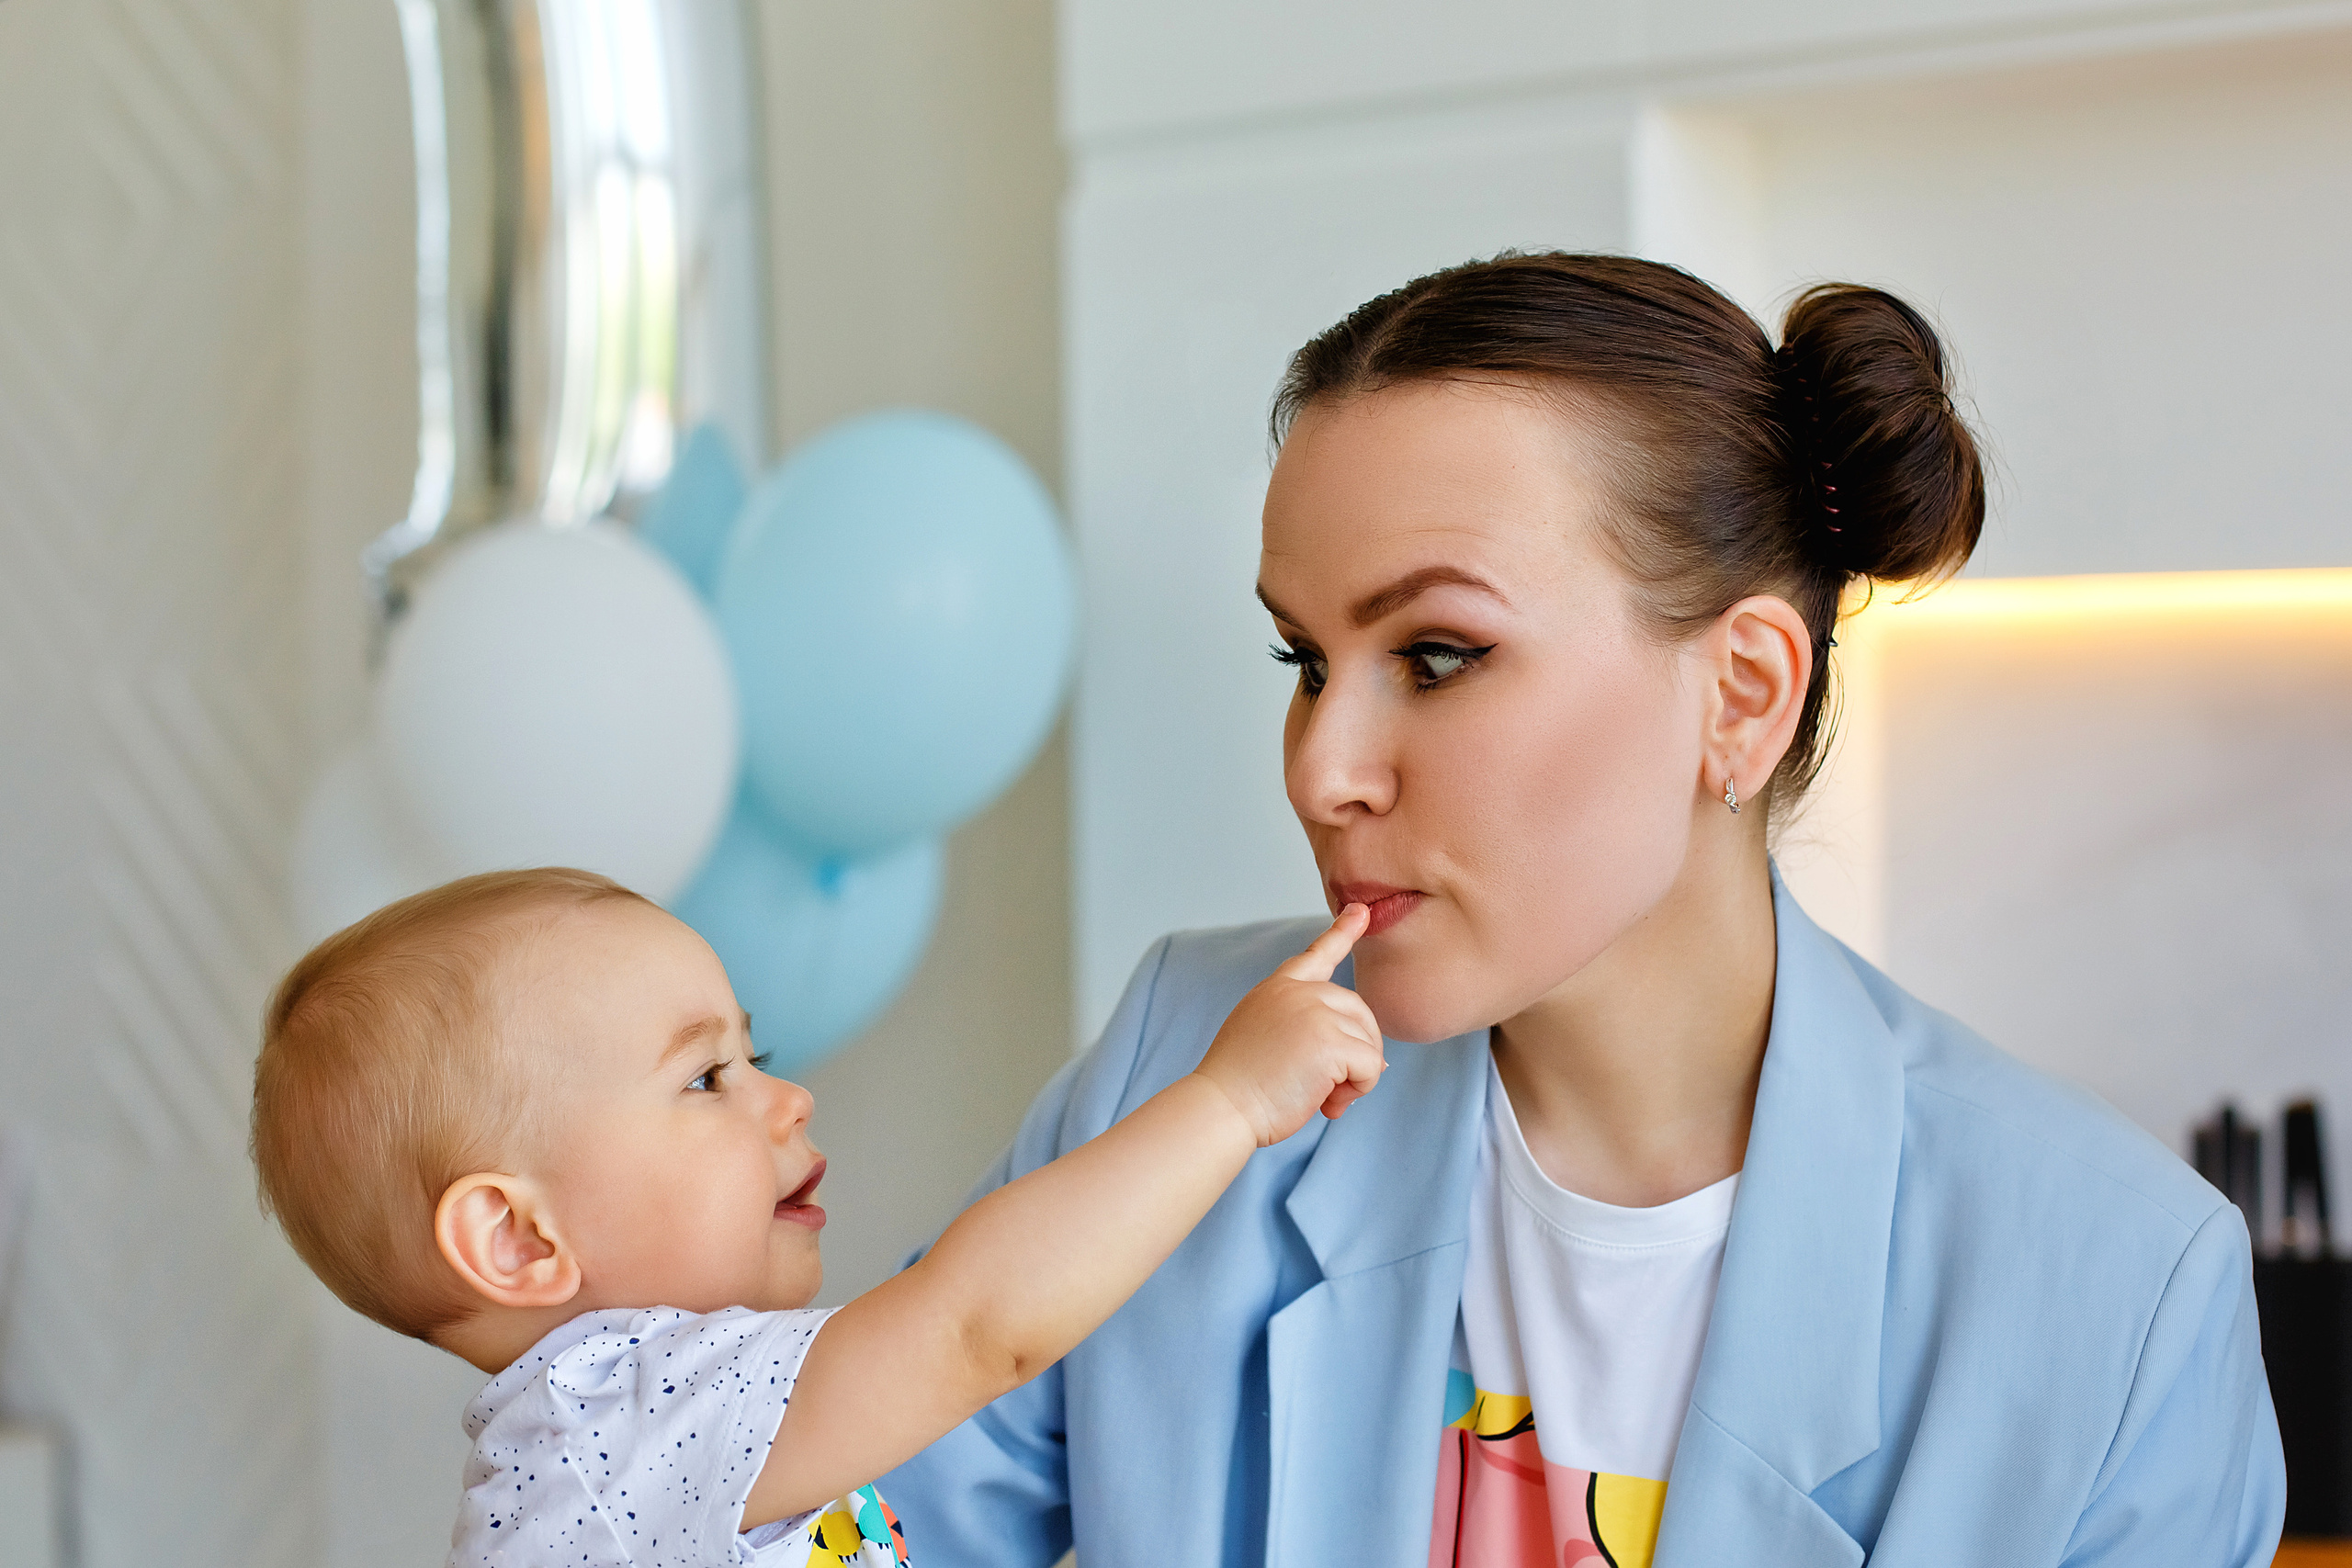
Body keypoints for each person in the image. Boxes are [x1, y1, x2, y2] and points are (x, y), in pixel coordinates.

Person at [881, 253, 2286, 1568]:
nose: (1320, 768)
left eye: (1437, 654)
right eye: (1305, 657)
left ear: (1742, 692)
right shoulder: (1183, 1067)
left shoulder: (2124, 1291)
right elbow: (818, 1514)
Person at [248, 867, 1385, 1566]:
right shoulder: (628, 1419)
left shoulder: (603, 1433)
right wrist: (1229, 1100)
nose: (786, 1098)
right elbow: (976, 1328)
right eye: (706, 1079)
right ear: (518, 1239)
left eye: (760, 1056)